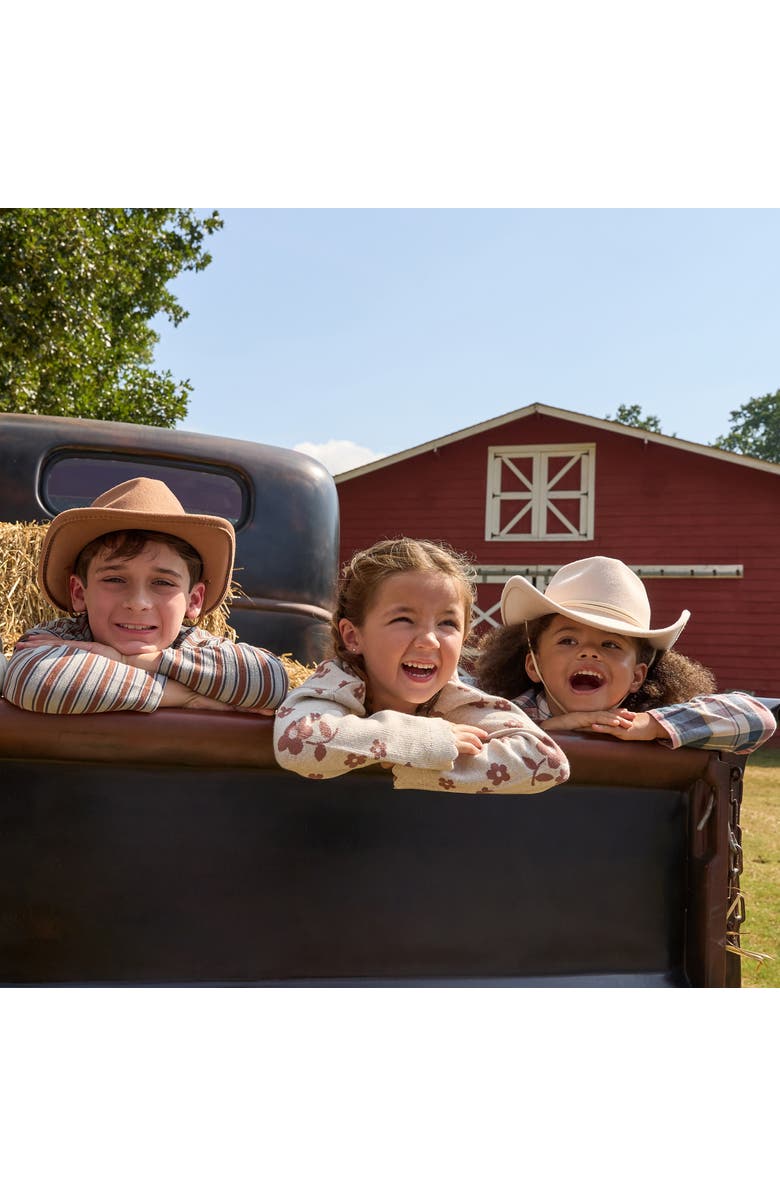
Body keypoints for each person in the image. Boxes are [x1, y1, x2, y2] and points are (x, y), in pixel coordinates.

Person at [273, 537, 570, 792]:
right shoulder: (337, 681)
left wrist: (419, 760)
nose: (429, 640)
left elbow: (547, 761)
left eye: (447, 623)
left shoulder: (454, 697)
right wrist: (420, 740)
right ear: (353, 636)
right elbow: (297, 741)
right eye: (403, 619)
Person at [3, 477, 289, 715]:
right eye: (115, 579)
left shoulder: (193, 644)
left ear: (194, 600)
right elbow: (34, 679)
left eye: (162, 582)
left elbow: (271, 680)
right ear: (79, 593)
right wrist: (186, 697)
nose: (138, 603)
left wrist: (133, 661)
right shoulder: (59, 637)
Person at [474, 556, 776, 754]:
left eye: (610, 645)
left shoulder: (648, 717)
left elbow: (757, 718)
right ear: (533, 665)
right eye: (568, 640)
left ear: (637, 676)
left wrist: (654, 726)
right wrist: (543, 730)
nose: (589, 653)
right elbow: (467, 734)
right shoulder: (505, 714)